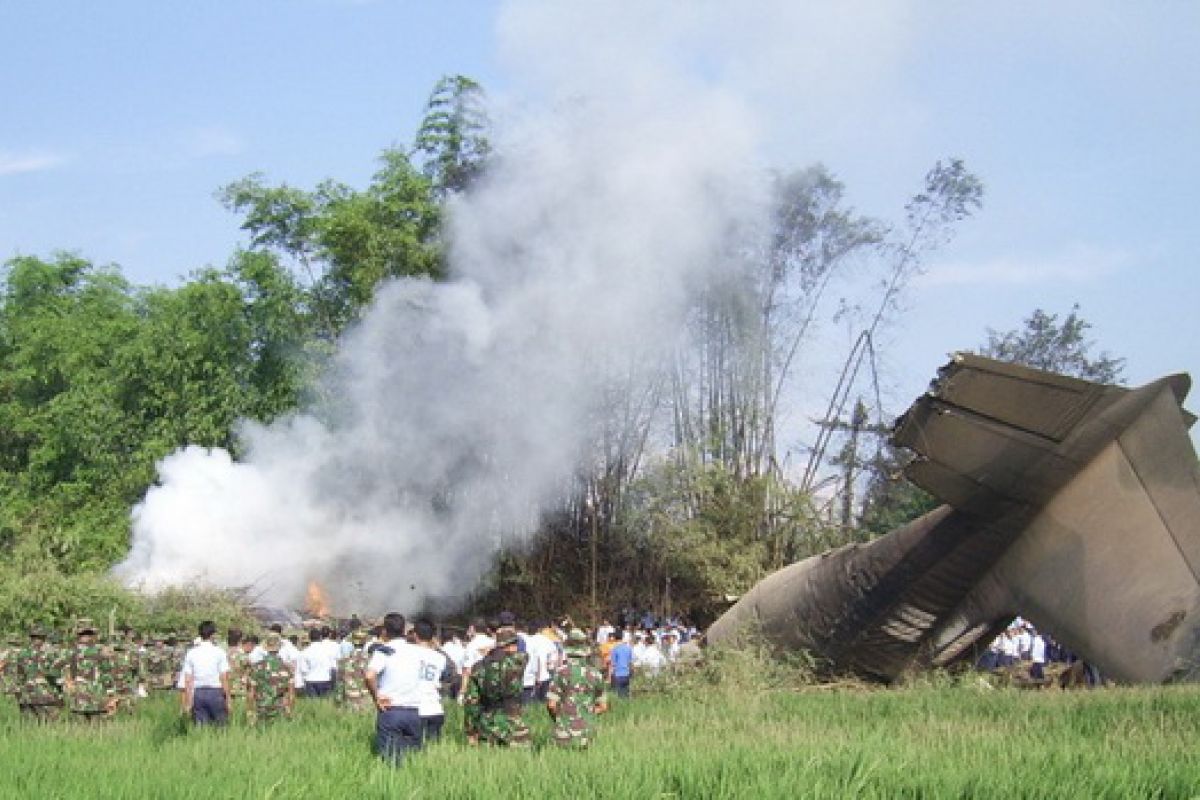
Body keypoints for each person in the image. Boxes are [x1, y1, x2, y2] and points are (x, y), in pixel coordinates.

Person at [365, 613, 427, 765]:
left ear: (385, 631)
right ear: (404, 630)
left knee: (391, 762)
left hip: (391, 710)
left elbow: (369, 676)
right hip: (414, 711)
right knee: (413, 759)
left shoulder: (384, 650)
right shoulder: (417, 651)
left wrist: (376, 698)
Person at [462, 619, 530, 747]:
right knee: (520, 764)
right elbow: (523, 653)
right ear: (512, 645)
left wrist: (471, 731)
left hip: (487, 724)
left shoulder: (478, 667)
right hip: (514, 724)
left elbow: (471, 702)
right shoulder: (518, 662)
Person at [546, 629, 608, 748]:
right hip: (587, 733)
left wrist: (559, 719)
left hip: (563, 733)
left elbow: (551, 705)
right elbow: (603, 707)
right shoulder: (596, 674)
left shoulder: (560, 673)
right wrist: (587, 714)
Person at [63, 619, 118, 721]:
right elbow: (107, 672)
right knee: (92, 723)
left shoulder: (69, 651)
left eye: (88, 634)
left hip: (85, 693)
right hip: (88, 692)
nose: (86, 637)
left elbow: (106, 672)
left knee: (85, 722)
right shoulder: (100, 651)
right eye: (85, 634)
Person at [180, 620, 232, 725]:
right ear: (213, 634)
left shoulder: (191, 653)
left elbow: (188, 679)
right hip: (215, 692)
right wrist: (228, 698)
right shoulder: (219, 652)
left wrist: (188, 701)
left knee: (201, 727)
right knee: (220, 726)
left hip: (198, 693)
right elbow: (224, 677)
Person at [12, 626, 64, 722]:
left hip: (26, 694)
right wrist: (60, 694)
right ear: (44, 638)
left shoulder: (22, 653)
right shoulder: (50, 654)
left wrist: (18, 692)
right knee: (50, 723)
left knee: (29, 724)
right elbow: (56, 676)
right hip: (44, 695)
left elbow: (19, 676)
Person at [411, 619, 449, 743]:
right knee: (433, 748)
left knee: (414, 750)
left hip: (414, 709)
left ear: (415, 635)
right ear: (433, 637)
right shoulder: (440, 657)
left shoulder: (408, 654)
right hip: (435, 708)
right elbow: (447, 677)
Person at [247, 633, 295, 724]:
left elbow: (251, 693)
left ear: (266, 647)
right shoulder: (287, 668)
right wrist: (290, 712)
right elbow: (291, 695)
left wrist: (250, 712)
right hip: (280, 711)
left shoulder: (257, 667)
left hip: (261, 710)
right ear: (279, 647)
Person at [335, 629, 372, 711]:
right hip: (367, 698)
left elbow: (340, 685)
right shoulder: (371, 660)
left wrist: (338, 702)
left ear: (352, 642)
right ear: (365, 642)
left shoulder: (343, 661)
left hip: (350, 698)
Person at [299, 628, 336, 697]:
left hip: (310, 681)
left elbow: (303, 670)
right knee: (325, 705)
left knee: (313, 705)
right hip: (325, 679)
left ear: (309, 638)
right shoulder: (327, 651)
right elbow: (331, 666)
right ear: (320, 637)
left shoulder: (305, 652)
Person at [607, 631, 633, 698]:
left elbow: (613, 665)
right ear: (622, 637)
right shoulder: (628, 648)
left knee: (618, 696)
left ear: (615, 638)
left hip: (618, 675)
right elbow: (630, 662)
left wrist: (609, 677)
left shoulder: (615, 649)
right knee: (625, 695)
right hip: (626, 674)